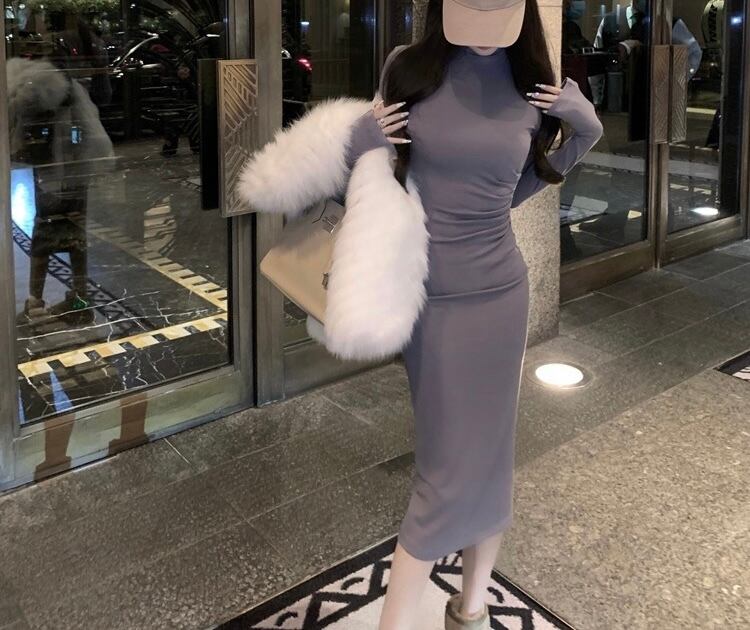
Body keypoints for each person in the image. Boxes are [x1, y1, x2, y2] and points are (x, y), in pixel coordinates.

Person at [238, 1, 602, 628]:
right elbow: (371, 178)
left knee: (491, 458)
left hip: (501, 295)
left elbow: (514, 191)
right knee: (442, 473)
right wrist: (359, 141)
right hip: (428, 297)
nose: (484, 38)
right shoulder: (408, 68)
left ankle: (472, 606)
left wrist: (584, 132)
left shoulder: (532, 86)